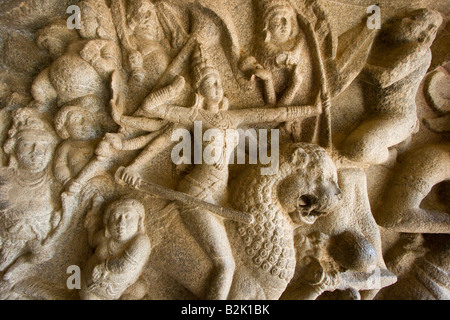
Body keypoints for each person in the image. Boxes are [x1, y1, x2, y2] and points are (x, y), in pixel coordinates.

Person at [114, 43, 322, 299]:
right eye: (211, 83)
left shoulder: (232, 119)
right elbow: (152, 110)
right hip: (198, 193)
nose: (218, 87)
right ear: (200, 88)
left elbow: (272, 113)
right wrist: (174, 89)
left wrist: (312, 109)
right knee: (226, 265)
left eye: (218, 82)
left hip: (223, 196)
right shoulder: (195, 117)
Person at [341, 9, 443, 164]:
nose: (402, 20)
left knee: (360, 147)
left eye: (411, 18)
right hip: (372, 112)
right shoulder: (388, 44)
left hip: (396, 117)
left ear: (426, 31)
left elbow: (384, 78)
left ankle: (388, 158)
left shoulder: (419, 50)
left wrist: (352, 63)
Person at [0, 108, 61, 285]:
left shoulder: (52, 179)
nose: (37, 152)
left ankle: (18, 269)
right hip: (7, 235)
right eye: (28, 144)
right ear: (13, 147)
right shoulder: (5, 176)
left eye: (42, 146)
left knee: (44, 253)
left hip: (37, 238)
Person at [81, 197, 151, 300]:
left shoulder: (141, 241)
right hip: (86, 286)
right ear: (107, 222)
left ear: (139, 220)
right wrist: (91, 226)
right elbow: (92, 242)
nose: (121, 223)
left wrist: (104, 267)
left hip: (115, 293)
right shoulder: (105, 236)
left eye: (128, 216)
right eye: (116, 217)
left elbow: (124, 265)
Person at [53, 99, 102, 187]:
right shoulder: (66, 146)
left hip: (101, 182)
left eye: (86, 118)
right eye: (76, 120)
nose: (85, 123)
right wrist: (67, 181)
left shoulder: (101, 142)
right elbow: (59, 166)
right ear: (65, 129)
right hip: (77, 186)